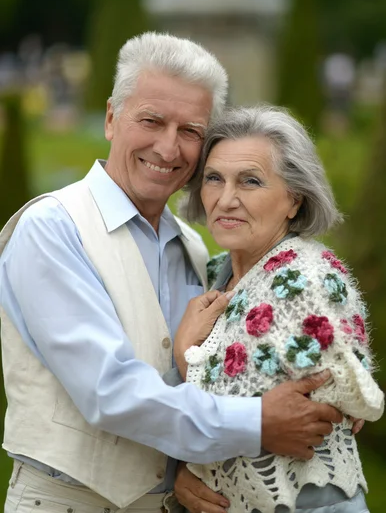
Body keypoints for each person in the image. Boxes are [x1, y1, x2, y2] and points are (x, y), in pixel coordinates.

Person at [0, 33, 344, 513]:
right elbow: (111, 393)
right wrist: (259, 422)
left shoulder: (195, 246)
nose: (168, 147)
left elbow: (207, 378)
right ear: (109, 118)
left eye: (190, 131)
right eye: (152, 121)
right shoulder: (52, 230)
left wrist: (339, 398)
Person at [173, 104, 384, 513]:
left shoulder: (307, 278)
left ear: (294, 199)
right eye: (214, 179)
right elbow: (242, 415)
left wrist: (186, 357)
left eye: (250, 181)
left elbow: (311, 415)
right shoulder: (216, 272)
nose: (226, 199)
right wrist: (186, 472)